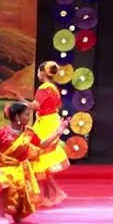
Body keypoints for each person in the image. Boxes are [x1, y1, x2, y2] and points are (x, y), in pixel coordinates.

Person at [0, 102, 65, 224]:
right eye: (26, 115)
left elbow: (42, 144)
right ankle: (1, 215)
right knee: (3, 183)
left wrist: (58, 131)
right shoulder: (0, 133)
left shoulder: (29, 133)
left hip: (21, 171)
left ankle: (15, 213)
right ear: (17, 117)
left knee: (19, 216)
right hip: (3, 168)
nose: (29, 117)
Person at [28, 61, 70, 206]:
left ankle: (56, 193)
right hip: (52, 120)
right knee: (41, 162)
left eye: (39, 71)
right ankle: (48, 195)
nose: (38, 74)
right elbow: (58, 105)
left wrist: (21, 102)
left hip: (45, 124)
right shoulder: (54, 88)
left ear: (43, 72)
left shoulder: (43, 88)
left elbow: (35, 106)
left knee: (38, 159)